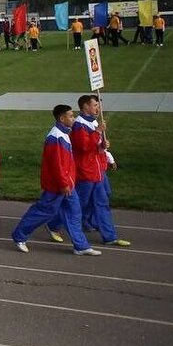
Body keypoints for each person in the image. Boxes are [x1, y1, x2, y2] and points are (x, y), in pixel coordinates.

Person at [10, 105, 100, 255]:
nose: (73, 118)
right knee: (43, 212)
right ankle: (19, 236)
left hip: (68, 184)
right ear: (61, 118)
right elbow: (57, 165)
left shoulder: (64, 134)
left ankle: (81, 246)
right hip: (57, 186)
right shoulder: (55, 137)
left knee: (75, 213)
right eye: (70, 116)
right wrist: (64, 183)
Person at [49, 95, 131, 248]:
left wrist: (102, 146)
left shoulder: (93, 122)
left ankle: (109, 236)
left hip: (97, 171)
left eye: (98, 106)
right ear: (85, 107)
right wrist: (98, 132)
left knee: (102, 202)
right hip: (85, 172)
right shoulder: (79, 125)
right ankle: (54, 224)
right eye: (95, 105)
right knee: (78, 203)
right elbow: (84, 147)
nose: (97, 108)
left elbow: (94, 147)